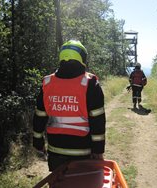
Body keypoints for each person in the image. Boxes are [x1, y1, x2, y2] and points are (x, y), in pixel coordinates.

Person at [33, 40, 106, 171]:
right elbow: (98, 120)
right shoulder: (90, 83)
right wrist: (98, 149)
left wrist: (38, 142)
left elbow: (39, 116)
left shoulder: (47, 83)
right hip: (83, 153)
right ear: (82, 58)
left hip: (55, 152)